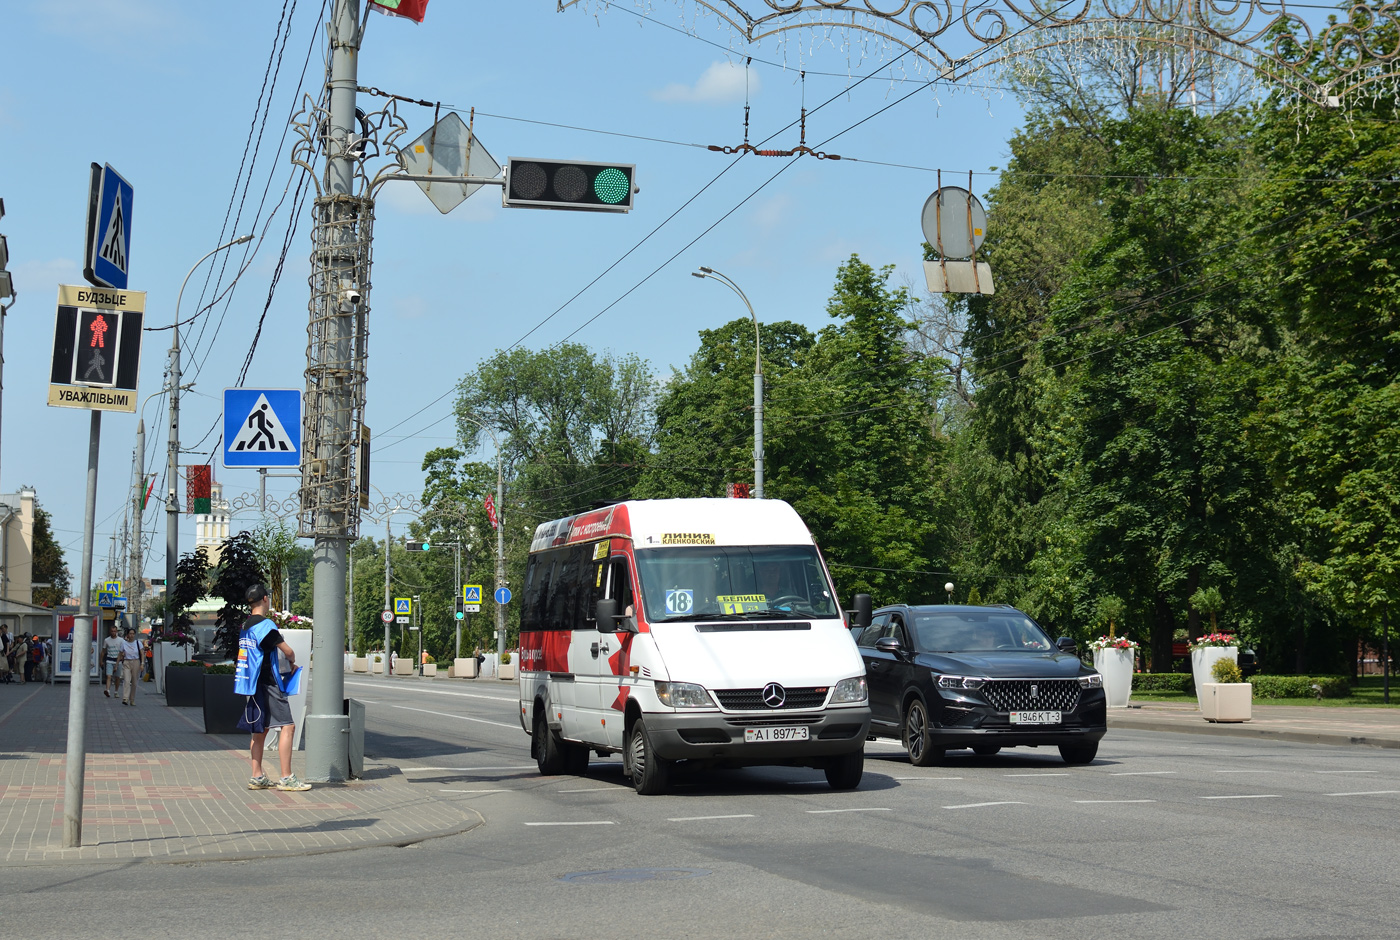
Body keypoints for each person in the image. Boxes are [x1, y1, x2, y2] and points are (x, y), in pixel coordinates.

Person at [236, 583, 310, 792]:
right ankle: (287, 777)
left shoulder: (246, 625)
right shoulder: (266, 626)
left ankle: (257, 775)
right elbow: (288, 652)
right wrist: (293, 660)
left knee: (260, 730)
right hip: (270, 683)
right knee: (288, 727)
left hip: (253, 683)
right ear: (266, 599)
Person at [117, 628, 142, 704]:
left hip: (136, 662)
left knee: (134, 682)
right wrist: (117, 664)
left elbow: (142, 654)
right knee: (127, 680)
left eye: (133, 634)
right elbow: (120, 654)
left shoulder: (138, 643)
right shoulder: (124, 643)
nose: (131, 635)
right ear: (127, 634)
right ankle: (125, 698)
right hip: (127, 662)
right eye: (130, 634)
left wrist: (142, 663)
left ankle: (132, 699)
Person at [102, 624, 122, 697]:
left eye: (114, 631)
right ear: (110, 632)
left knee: (117, 677)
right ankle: (107, 690)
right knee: (109, 676)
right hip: (109, 660)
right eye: (112, 631)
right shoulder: (107, 640)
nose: (113, 633)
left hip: (118, 661)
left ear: (116, 631)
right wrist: (101, 661)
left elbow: (122, 652)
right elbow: (103, 651)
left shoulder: (121, 640)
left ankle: (116, 691)